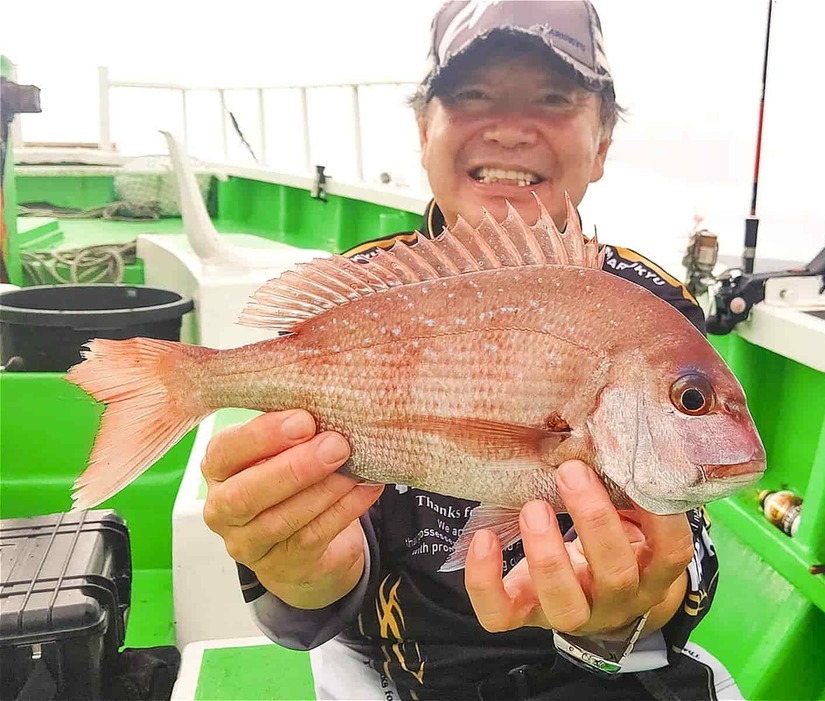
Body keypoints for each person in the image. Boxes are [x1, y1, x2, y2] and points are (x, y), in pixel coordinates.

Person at [201, 2, 740, 699]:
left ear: (602, 143)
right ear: (424, 128)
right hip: (398, 672)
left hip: (602, 674)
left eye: (553, 98)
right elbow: (307, 607)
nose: (511, 128)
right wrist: (302, 573)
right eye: (472, 96)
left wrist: (636, 604)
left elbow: (683, 545)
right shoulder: (359, 297)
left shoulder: (650, 313)